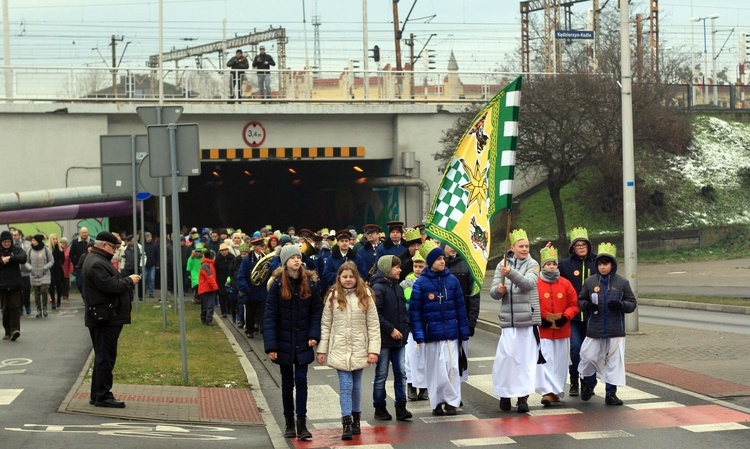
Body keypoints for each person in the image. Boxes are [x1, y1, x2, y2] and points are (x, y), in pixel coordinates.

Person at [264, 245, 322, 441]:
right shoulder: (277, 286)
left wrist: (314, 334)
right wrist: (271, 346)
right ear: (285, 262)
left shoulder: (310, 284)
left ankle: (302, 423)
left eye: (299, 257)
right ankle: (289, 421)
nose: (297, 260)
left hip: (303, 340)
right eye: (293, 258)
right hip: (283, 342)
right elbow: (270, 316)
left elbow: (316, 312)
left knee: (302, 381)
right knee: (287, 383)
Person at [317, 262, 381, 440]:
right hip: (339, 348)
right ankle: (346, 421)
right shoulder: (333, 296)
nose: (348, 280)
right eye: (344, 277)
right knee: (346, 385)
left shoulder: (365, 295)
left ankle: (356, 419)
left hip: (359, 347)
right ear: (339, 278)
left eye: (351, 277)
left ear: (356, 278)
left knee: (356, 387)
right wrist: (322, 349)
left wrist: (373, 350)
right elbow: (326, 325)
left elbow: (373, 325)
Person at [409, 240, 470, 416]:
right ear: (430, 262)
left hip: (451, 332)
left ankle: (451, 401)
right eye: (438, 259)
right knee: (435, 370)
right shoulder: (421, 283)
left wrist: (463, 330)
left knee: (451, 368)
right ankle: (436, 401)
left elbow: (460, 307)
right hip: (431, 333)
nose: (442, 261)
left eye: (443, 258)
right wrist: (419, 333)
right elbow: (415, 311)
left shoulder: (452, 281)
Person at [82, 231, 140, 408]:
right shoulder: (97, 263)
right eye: (113, 247)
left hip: (104, 316)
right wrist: (129, 281)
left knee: (102, 356)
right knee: (105, 357)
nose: (115, 250)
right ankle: (103, 395)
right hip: (105, 318)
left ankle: (97, 393)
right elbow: (111, 286)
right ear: (104, 245)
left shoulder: (96, 260)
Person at [577, 242, 637, 406]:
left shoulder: (622, 283)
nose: (603, 267)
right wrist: (587, 306)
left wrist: (621, 306)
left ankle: (611, 393)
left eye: (606, 264)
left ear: (612, 265)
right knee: (587, 357)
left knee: (614, 361)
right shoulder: (590, 282)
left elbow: (632, 303)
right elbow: (581, 300)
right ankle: (589, 383)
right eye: (600, 264)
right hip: (594, 329)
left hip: (615, 329)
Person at [490, 229, 541, 413]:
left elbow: (528, 284)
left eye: (527, 246)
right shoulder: (501, 264)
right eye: (521, 246)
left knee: (524, 362)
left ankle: (523, 398)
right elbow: (494, 291)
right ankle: (504, 394)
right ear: (512, 247)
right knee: (506, 359)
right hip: (508, 321)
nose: (525, 249)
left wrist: (510, 273)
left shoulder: (533, 264)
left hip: (526, 321)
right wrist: (499, 291)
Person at [535, 246, 579, 406]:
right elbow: (532, 304)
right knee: (546, 360)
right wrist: (541, 319)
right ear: (542, 266)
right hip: (544, 331)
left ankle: (556, 391)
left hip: (562, 330)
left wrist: (566, 317)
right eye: (548, 264)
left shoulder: (565, 284)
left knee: (560, 362)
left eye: (554, 264)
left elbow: (574, 304)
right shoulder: (536, 283)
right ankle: (546, 391)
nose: (552, 267)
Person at [370, 255, 412, 421]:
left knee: (401, 373)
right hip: (384, 340)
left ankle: (401, 407)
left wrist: (406, 326)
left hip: (399, 339)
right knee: (381, 374)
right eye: (396, 267)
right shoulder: (378, 288)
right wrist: (391, 329)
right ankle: (379, 407)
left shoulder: (398, 287)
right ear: (388, 268)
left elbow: (404, 311)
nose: (400, 270)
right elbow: (375, 314)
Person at [558, 227, 597, 397]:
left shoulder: (597, 262)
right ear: (572, 248)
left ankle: (587, 381)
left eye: (584, 245)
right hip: (572, 316)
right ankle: (574, 378)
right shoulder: (565, 265)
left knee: (591, 351)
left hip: (591, 316)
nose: (581, 247)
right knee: (575, 348)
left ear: (588, 246)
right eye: (577, 245)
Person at [400, 251, 428, 401]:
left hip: (425, 326)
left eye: (421, 266)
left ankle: (424, 387)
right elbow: (402, 304)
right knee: (410, 357)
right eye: (415, 266)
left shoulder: (430, 281)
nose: (418, 269)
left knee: (424, 357)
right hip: (410, 326)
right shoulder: (406, 283)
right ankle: (411, 385)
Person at [236, 237, 269, 338]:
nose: (263, 247)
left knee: (263, 312)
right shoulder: (247, 260)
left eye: (263, 245)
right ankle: (249, 330)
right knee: (250, 312)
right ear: (255, 247)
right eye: (261, 246)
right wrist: (246, 288)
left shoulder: (266, 258)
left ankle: (264, 330)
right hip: (250, 290)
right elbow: (241, 276)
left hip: (262, 290)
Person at [1, 230, 27, 341]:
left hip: (15, 284)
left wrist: (10, 259)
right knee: (5, 308)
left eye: (8, 241)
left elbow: (23, 258)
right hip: (2, 285)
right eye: (4, 242)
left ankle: (15, 330)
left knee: (15, 307)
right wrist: (3, 262)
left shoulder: (16, 249)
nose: (7, 243)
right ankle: (7, 331)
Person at [26, 234, 54, 318]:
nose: (32, 242)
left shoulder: (46, 249)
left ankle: (45, 308)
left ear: (38, 241)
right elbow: (26, 261)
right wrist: (30, 268)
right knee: (37, 294)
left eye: (34, 240)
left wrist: (45, 267)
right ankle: (38, 310)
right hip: (34, 275)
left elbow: (51, 261)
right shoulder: (30, 250)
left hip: (44, 275)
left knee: (44, 291)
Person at [11, 229, 32, 314]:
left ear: (20, 235)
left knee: (26, 289)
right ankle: (20, 308)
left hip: (26, 272)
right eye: (13, 235)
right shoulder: (12, 246)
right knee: (18, 291)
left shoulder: (27, 244)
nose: (14, 237)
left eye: (15, 235)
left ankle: (27, 305)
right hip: (16, 272)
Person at [69, 227, 93, 298]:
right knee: (79, 284)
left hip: (89, 267)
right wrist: (75, 263)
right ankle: (84, 295)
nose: (84, 234)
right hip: (79, 267)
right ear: (80, 233)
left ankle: (87, 297)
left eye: (85, 232)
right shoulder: (75, 242)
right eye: (83, 233)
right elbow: (71, 254)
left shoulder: (91, 242)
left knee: (88, 284)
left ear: (87, 233)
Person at [214, 241, 235, 318]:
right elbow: (215, 269)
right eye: (222, 250)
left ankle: (229, 309)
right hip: (220, 280)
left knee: (229, 295)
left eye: (225, 250)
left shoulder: (232, 257)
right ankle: (223, 311)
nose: (224, 252)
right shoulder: (218, 258)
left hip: (229, 279)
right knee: (222, 296)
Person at [198, 249, 218, 326]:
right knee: (209, 305)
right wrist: (215, 287)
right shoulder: (207, 265)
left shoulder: (207, 264)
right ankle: (207, 319)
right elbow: (210, 277)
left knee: (206, 305)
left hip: (206, 289)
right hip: (207, 289)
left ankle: (205, 319)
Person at [48, 234, 66, 309]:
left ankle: (59, 299)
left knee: (59, 285)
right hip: (50, 269)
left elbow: (63, 259)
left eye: (56, 239)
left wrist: (60, 263)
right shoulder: (48, 248)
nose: (55, 240)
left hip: (58, 268)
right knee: (51, 285)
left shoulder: (60, 248)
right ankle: (53, 301)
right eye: (54, 239)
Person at [142, 232, 159, 299]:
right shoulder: (142, 245)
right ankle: (144, 290)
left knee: (152, 278)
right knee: (144, 278)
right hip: (145, 264)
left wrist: (157, 264)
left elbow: (157, 255)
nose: (149, 238)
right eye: (148, 237)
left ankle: (151, 292)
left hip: (152, 264)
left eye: (150, 237)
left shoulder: (155, 245)